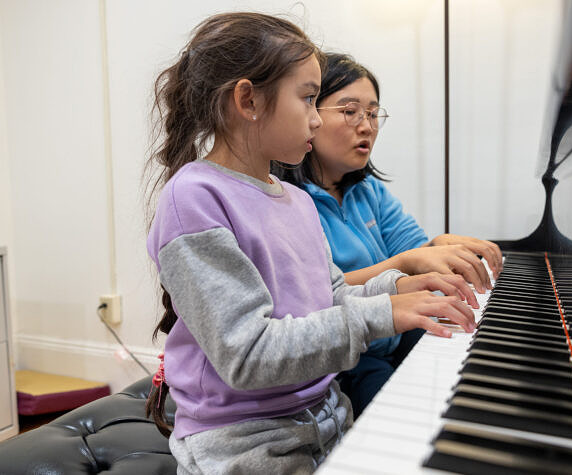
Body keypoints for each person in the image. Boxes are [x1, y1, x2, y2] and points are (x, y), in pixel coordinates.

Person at [143, 13, 476, 474]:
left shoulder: (296, 200)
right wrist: (383, 314)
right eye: (309, 99)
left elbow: (332, 297)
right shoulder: (196, 197)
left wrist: (402, 289)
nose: (317, 120)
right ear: (248, 100)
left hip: (326, 416)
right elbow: (249, 353)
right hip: (248, 440)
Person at [273, 53, 503, 417]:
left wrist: (437, 247)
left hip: (395, 333)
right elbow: (313, 294)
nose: (366, 126)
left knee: (480, 371)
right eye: (350, 111)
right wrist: (407, 262)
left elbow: (415, 253)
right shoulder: (289, 203)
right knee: (414, 418)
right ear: (311, 113)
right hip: (350, 358)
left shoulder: (370, 192)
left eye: (373, 113)